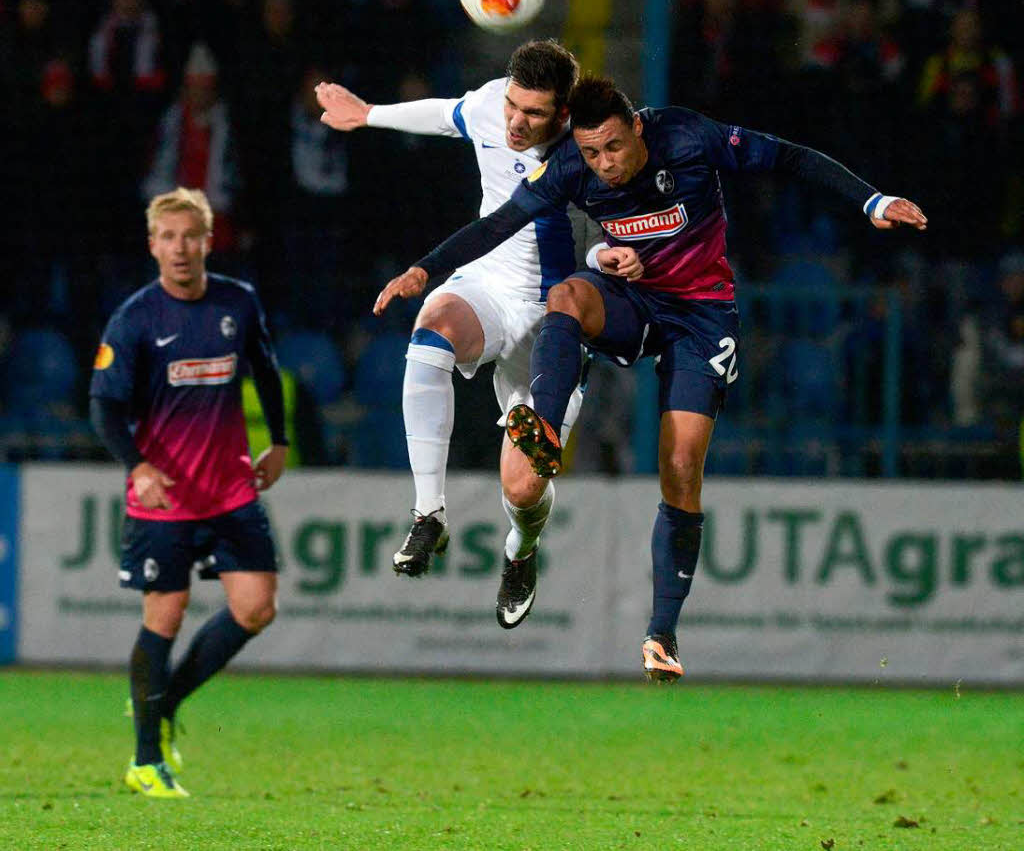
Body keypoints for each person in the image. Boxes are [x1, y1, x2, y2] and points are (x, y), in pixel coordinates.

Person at [374, 75, 927, 682]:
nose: (604, 165)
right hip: (632, 300)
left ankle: (661, 634)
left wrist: (870, 201)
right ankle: (544, 430)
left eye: (613, 147)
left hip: (700, 314)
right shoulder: (567, 168)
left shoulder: (688, 136)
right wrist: (424, 271)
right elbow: (500, 224)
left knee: (682, 467)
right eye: (591, 153)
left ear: (636, 126)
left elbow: (789, 156)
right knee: (567, 296)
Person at [316, 40, 593, 629]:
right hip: (488, 282)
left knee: (522, 491)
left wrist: (624, 258)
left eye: (534, 114)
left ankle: (520, 552)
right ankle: (428, 513)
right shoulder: (494, 104)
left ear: (564, 115)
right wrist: (368, 115)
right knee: (431, 331)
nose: (516, 122)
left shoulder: (594, 148)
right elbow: (446, 115)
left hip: (558, 315)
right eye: (514, 107)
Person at [89, 188, 289, 797]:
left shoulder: (237, 302)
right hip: (166, 495)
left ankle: (162, 703)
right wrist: (138, 466)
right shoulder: (135, 318)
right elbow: (102, 407)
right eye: (168, 238)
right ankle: (146, 759)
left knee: (256, 607)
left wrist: (278, 441)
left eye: (190, 236)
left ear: (209, 241)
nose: (180, 248)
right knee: (166, 616)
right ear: (153, 246)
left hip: (229, 487)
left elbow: (265, 367)